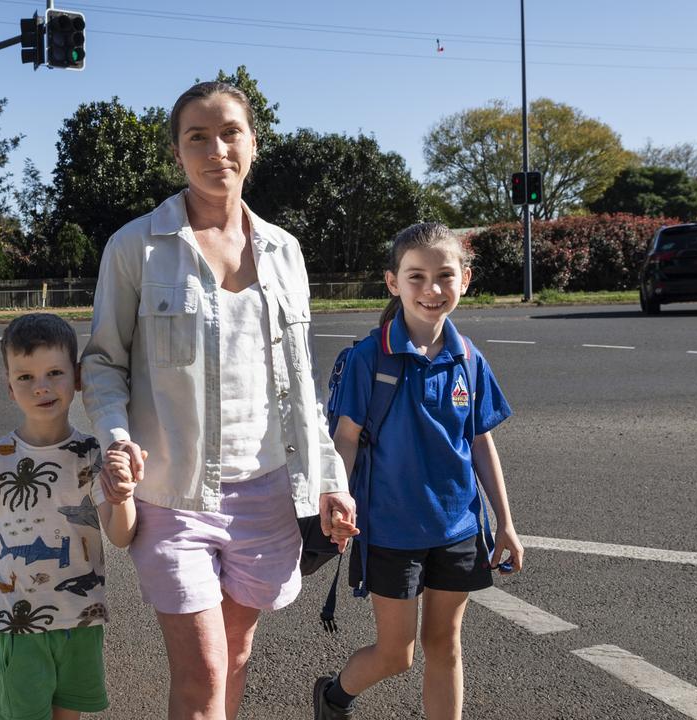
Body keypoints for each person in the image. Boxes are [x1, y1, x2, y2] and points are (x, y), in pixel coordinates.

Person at [81, 81, 358, 720]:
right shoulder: (136, 247)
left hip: (267, 493)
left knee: (233, 660)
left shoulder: (286, 251)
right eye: (196, 137)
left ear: (253, 143)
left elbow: (299, 384)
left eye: (230, 132)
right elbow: (101, 363)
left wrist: (331, 481)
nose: (216, 150)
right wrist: (116, 438)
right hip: (174, 495)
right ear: (178, 153)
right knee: (202, 671)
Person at [313, 223, 525, 720]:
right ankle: (333, 696)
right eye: (416, 277)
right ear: (393, 282)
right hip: (390, 528)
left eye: (444, 276)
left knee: (444, 645)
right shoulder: (370, 358)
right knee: (396, 654)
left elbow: (479, 441)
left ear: (465, 279)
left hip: (458, 527)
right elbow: (345, 440)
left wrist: (507, 523)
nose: (432, 290)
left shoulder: (469, 359)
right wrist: (336, 499)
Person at [0, 312, 137, 720]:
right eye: (25, 377)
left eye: (54, 372)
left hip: (82, 624)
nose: (42, 387)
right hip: (19, 626)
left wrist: (122, 496)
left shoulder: (93, 454)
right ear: (9, 388)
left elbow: (120, 536)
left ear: (78, 377)